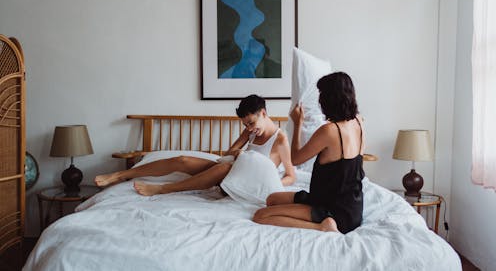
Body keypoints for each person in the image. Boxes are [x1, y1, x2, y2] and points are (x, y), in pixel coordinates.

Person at [95, 94, 296, 196]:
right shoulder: (250, 131)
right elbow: (230, 152)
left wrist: (271, 181)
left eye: (251, 123)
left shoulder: (280, 140)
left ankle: (164, 189)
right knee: (182, 160)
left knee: (225, 166)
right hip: (231, 169)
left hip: (249, 183)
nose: (250, 128)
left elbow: (291, 176)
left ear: (263, 113)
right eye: (245, 125)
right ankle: (121, 175)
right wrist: (240, 154)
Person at [253, 72, 365, 233]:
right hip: (352, 207)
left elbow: (296, 159)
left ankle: (322, 226)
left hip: (333, 210)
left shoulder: (329, 131)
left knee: (260, 216)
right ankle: (319, 217)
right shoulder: (358, 120)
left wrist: (298, 123)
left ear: (329, 99)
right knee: (272, 199)